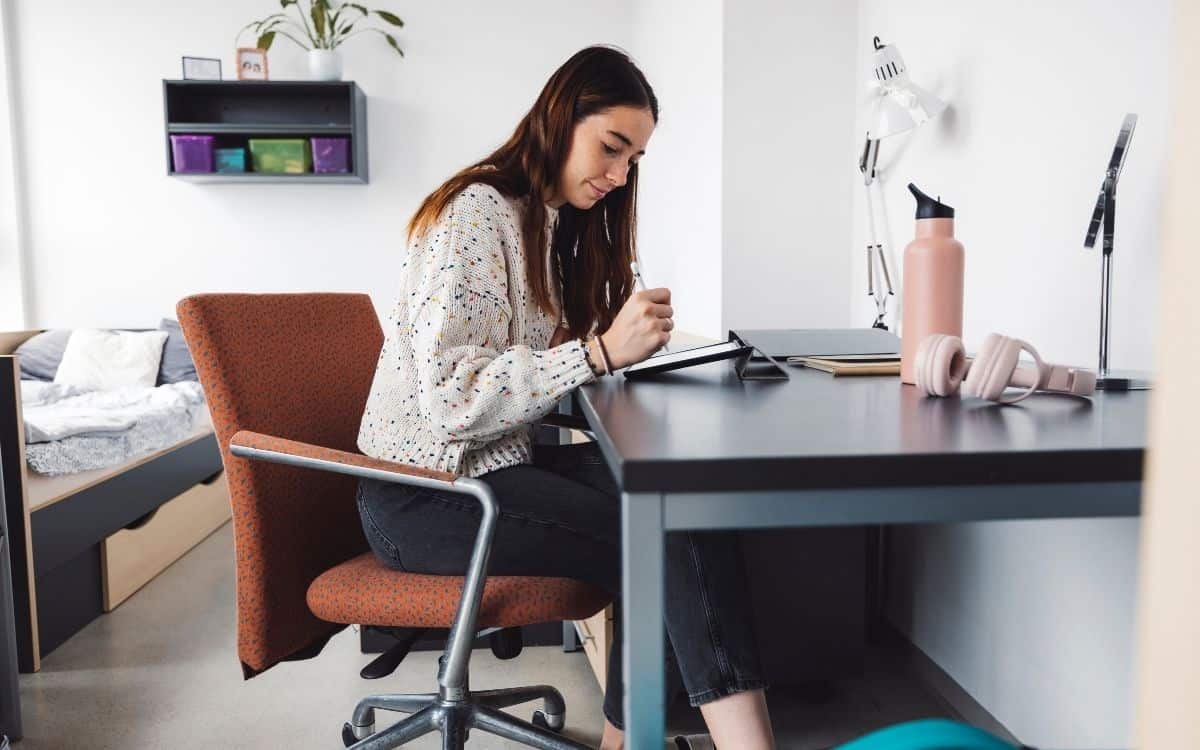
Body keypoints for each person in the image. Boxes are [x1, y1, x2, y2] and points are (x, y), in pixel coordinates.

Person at [356, 45, 775, 750]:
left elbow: (516, 364)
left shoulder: (541, 220)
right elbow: (452, 403)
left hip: (490, 470)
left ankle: (631, 741)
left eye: (633, 159)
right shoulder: (476, 213)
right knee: (659, 532)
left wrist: (619, 350)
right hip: (427, 494)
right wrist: (599, 352)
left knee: (682, 504)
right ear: (560, 117)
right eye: (611, 147)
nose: (619, 174)